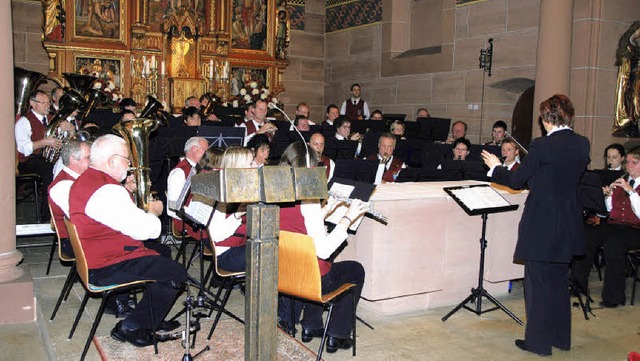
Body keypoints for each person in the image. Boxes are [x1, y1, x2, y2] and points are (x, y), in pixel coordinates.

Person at [481, 94, 590, 356]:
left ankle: (538, 343)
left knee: (538, 285)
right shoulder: (582, 144)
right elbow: (557, 175)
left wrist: (496, 167)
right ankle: (560, 339)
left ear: (544, 119)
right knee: (558, 284)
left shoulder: (541, 146)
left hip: (542, 224)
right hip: (568, 224)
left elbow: (517, 181)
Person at [69, 134, 187, 347]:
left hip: (97, 255)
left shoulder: (87, 180)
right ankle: (131, 326)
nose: (130, 165)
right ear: (112, 160)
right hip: (105, 266)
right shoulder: (107, 190)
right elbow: (148, 230)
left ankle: (152, 317)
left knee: (162, 253)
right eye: (126, 159)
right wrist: (153, 211)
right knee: (175, 272)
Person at [278, 141, 367, 354]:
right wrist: (347, 217)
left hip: (285, 273)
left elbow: (295, 226)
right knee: (354, 270)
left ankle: (312, 325)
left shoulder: (277, 192)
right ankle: (338, 335)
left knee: (326, 264)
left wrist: (323, 213)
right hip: (310, 280)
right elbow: (324, 250)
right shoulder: (308, 201)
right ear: (308, 167)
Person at [16, 90, 75, 212]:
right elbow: (23, 148)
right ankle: (46, 213)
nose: (47, 106)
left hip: (49, 159)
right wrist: (45, 142)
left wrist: (71, 130)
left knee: (69, 167)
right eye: (43, 102)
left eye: (48, 102)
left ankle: (67, 207)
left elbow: (67, 141)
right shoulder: (24, 121)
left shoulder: (53, 119)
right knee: (49, 170)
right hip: (29, 161)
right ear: (32, 103)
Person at [601, 146, 640, 308]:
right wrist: (608, 196)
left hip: (636, 229)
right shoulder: (622, 180)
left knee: (613, 244)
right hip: (617, 225)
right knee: (586, 235)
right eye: (627, 162)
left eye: (634, 163)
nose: (629, 166)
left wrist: (630, 192)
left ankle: (614, 297)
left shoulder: (630, 186)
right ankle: (579, 285)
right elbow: (610, 211)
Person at [207, 147, 254, 271]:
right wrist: (237, 214)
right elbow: (216, 235)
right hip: (226, 254)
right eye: (250, 164)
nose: (254, 166)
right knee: (275, 255)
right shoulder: (222, 193)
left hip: (240, 245)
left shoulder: (241, 187)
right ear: (237, 166)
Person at [48, 139, 91, 258]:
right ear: (73, 159)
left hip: (83, 236)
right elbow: (82, 218)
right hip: (73, 241)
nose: (92, 161)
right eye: (88, 157)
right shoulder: (64, 185)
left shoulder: (81, 178)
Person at [167, 136, 209, 240]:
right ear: (194, 149)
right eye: (206, 150)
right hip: (187, 221)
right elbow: (173, 208)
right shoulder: (179, 173)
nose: (208, 154)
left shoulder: (203, 169)